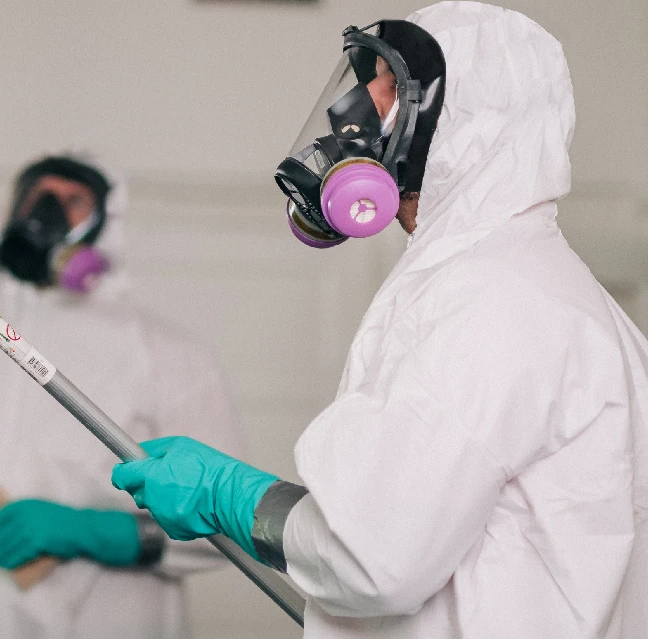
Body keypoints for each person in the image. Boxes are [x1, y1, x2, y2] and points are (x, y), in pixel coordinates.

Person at [112, 3, 648, 637]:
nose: (352, 113)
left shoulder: (485, 300)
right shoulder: (555, 295)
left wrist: (232, 496)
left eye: (386, 87)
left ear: (467, 119)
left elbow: (372, 558)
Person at [0, 153, 240, 639]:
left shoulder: (164, 351)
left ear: (106, 222)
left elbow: (223, 513)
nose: (48, 213)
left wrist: (107, 534)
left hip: (110, 617)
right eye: (37, 197)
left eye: (74, 200)